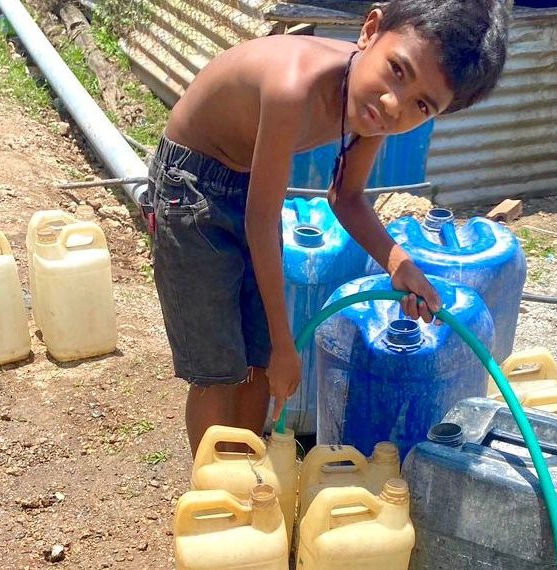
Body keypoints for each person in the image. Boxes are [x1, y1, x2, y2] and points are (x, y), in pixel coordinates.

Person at [147, 0, 509, 455]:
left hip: (246, 180)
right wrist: (286, 344)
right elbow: (262, 220)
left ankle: (241, 471)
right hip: (192, 186)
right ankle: (212, 493)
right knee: (218, 367)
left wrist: (398, 262)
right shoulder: (292, 87)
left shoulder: (377, 111)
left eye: (422, 104)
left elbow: (346, 196)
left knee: (257, 360)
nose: (395, 104)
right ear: (370, 30)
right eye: (398, 70)